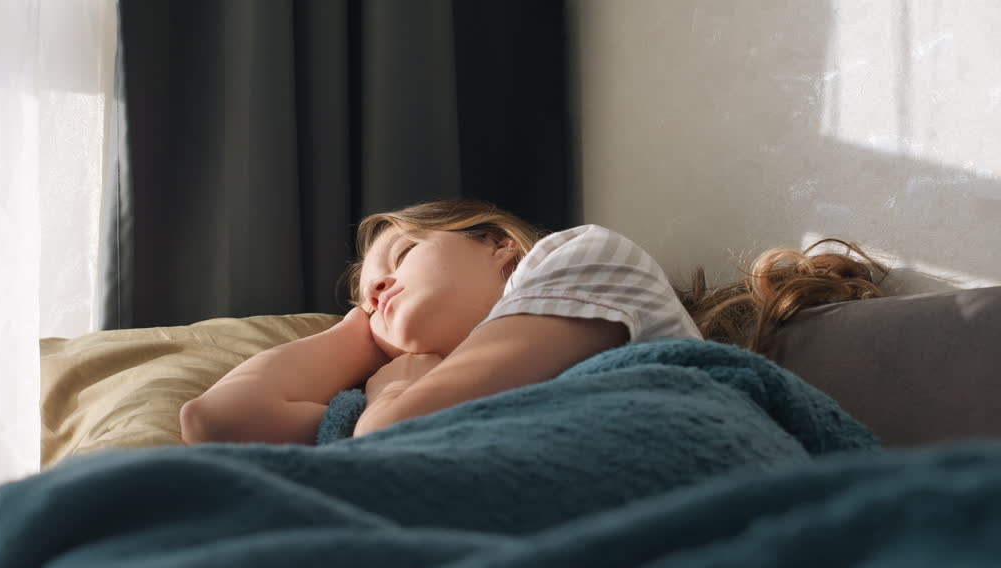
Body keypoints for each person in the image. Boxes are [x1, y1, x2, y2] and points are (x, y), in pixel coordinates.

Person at [180, 198, 886, 445]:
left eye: (400, 254)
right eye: (366, 295)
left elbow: (397, 436)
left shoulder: (579, 255)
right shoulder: (382, 383)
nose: (381, 287)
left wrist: (394, 392)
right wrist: (359, 331)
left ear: (497, 245)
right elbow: (213, 421)